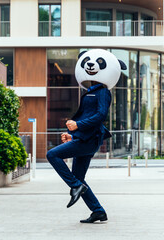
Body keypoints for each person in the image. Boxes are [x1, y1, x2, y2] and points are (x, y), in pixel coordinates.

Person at [46, 49, 126, 223]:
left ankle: (75, 186)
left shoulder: (103, 92)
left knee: (52, 154)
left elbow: (100, 116)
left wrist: (77, 125)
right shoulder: (90, 91)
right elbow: (86, 116)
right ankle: (98, 211)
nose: (91, 65)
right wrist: (72, 135)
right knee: (79, 177)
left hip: (89, 140)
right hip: (83, 139)